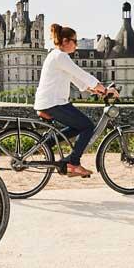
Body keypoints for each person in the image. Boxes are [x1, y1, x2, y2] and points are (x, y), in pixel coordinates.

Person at [33, 23, 117, 177]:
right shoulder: (60, 56)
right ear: (65, 41)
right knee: (87, 126)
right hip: (54, 103)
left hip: (50, 102)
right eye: (74, 41)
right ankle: (73, 162)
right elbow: (80, 73)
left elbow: (75, 78)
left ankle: (47, 143)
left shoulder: (56, 55)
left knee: (79, 126)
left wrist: (93, 89)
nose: (76, 45)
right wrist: (104, 89)